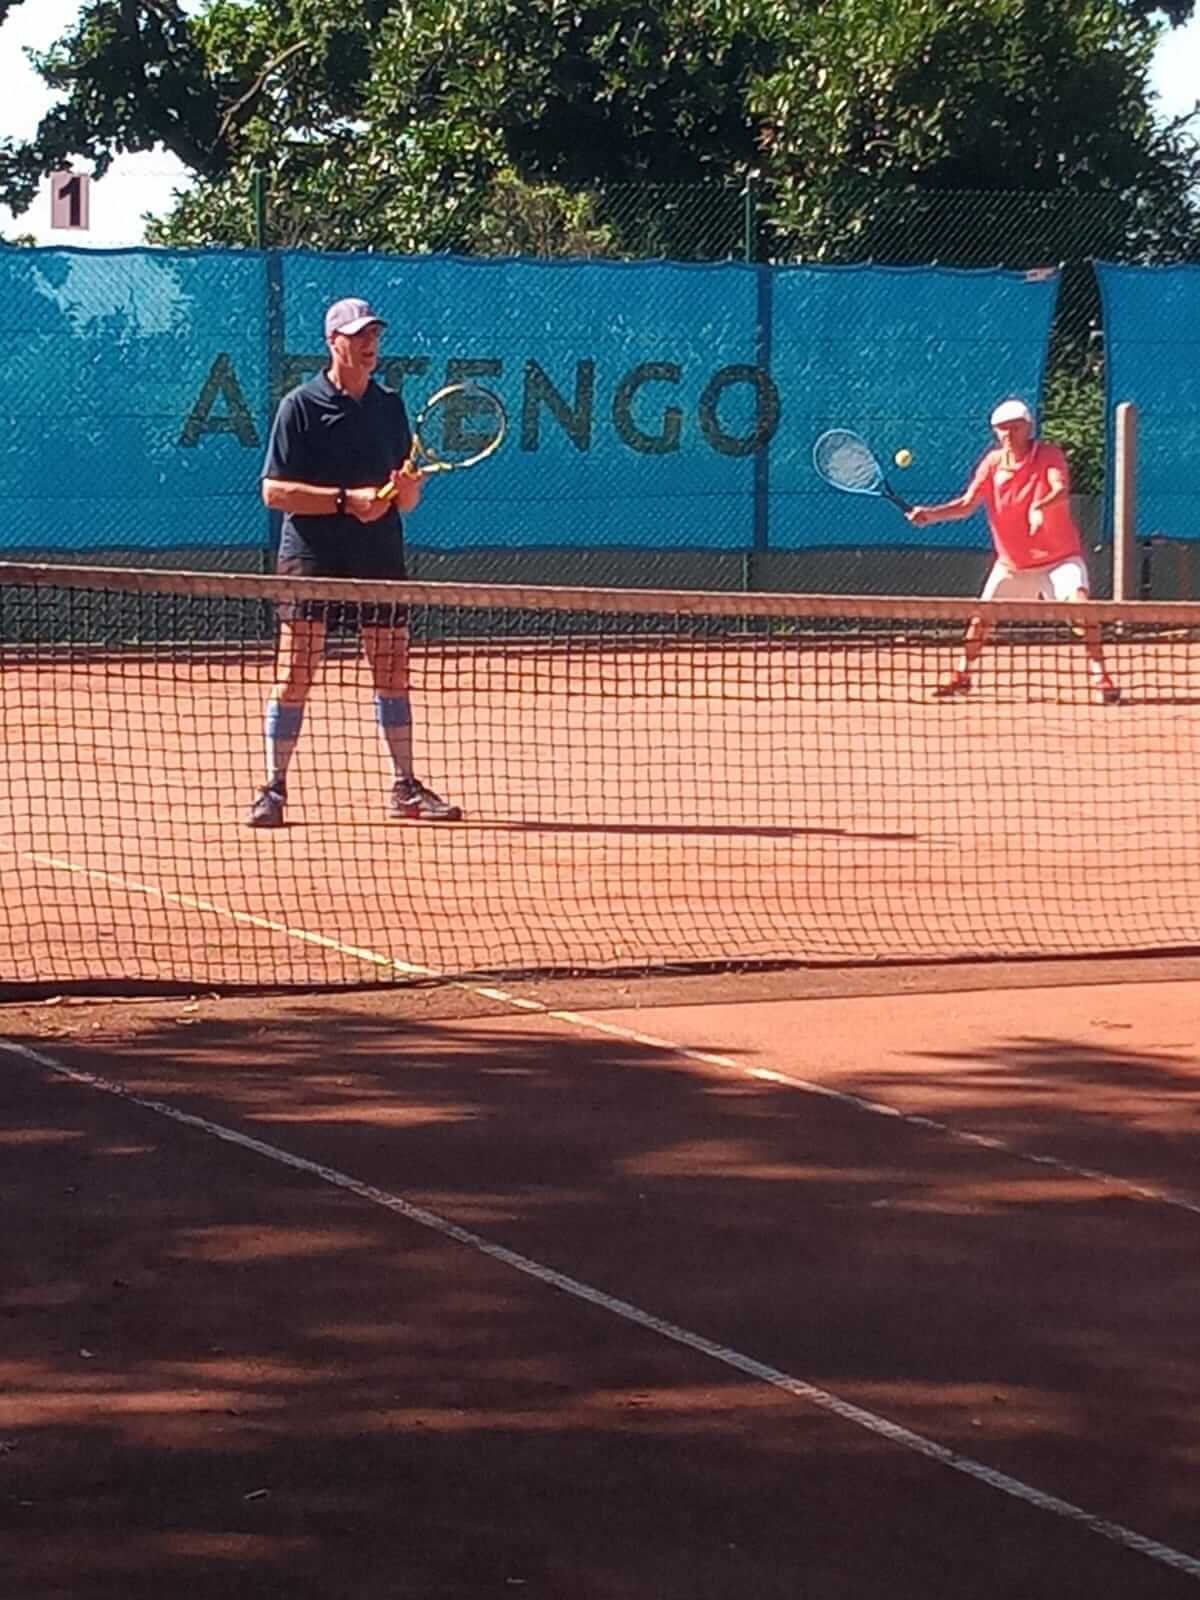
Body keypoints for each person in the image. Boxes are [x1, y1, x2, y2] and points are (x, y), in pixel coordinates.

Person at [246, 297, 462, 827]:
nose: (369, 344)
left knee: (392, 668)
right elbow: (274, 491)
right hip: (312, 553)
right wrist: (347, 501)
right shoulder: (299, 406)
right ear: (333, 342)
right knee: (297, 669)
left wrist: (405, 490)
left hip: (378, 553)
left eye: (374, 335)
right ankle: (273, 789)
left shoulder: (390, 407)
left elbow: (405, 500)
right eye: (358, 335)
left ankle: (405, 787)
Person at [906, 398, 1120, 705]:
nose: (1008, 434)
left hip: (1059, 559)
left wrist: (1039, 505)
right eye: (1002, 429)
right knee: (981, 619)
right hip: (1013, 565)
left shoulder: (1048, 454)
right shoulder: (992, 463)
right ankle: (963, 674)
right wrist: (931, 514)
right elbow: (967, 504)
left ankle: (1101, 675)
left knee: (1081, 609)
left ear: (1029, 427)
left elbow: (1059, 489)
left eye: (1015, 427)